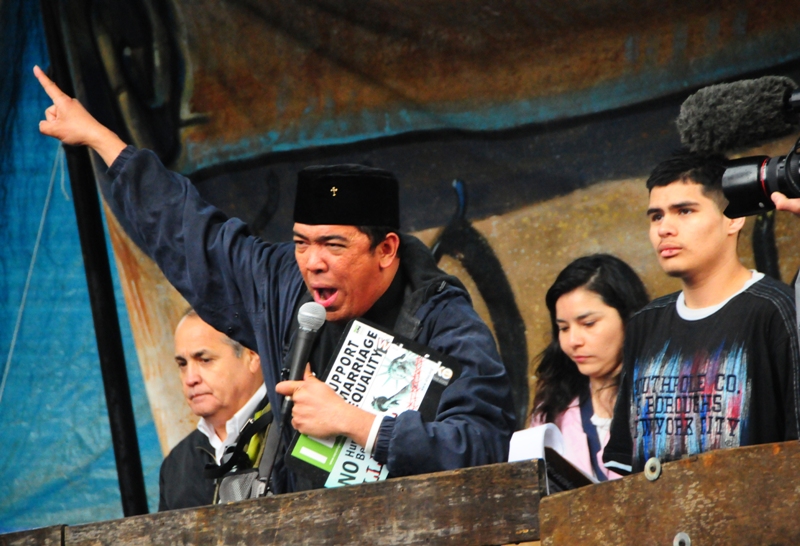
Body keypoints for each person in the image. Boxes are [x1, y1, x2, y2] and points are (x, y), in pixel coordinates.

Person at [33, 66, 516, 493]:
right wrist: (101, 140)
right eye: (302, 242)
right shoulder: (284, 284)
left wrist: (358, 424)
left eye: (334, 245)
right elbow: (191, 232)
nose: (312, 263)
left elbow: (487, 443)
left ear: (386, 249)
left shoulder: (442, 318)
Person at [603, 149, 800, 476]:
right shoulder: (644, 325)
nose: (664, 228)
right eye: (656, 216)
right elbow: (626, 467)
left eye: (684, 211)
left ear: (734, 217)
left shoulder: (777, 311)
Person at [529, 254, 648, 481]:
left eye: (588, 324)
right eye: (563, 328)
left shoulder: (668, 396)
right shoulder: (552, 409)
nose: (573, 341)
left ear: (629, 318)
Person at [159, 309, 266, 511]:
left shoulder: (295, 433)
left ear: (252, 355)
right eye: (182, 364)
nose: (190, 378)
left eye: (204, 360)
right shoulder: (176, 464)